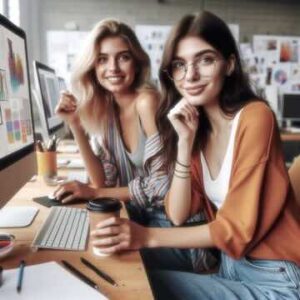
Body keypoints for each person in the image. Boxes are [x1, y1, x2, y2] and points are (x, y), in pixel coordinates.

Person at [90, 11, 300, 299]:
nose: (190, 75)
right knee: (116, 268)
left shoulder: (255, 117)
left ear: (229, 64)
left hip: (275, 278)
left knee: (135, 288)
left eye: (205, 60)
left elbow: (235, 229)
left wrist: (146, 236)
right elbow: (177, 214)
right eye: (179, 65)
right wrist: (185, 143)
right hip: (232, 265)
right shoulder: (196, 129)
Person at [54, 19, 212, 272]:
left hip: (176, 230)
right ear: (92, 67)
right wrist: (75, 124)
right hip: (142, 220)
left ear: (137, 62)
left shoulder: (147, 102)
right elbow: (101, 183)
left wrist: (94, 194)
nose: (113, 68)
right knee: (86, 248)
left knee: (99, 260)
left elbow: (161, 184)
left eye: (123, 57)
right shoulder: (106, 109)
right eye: (102, 59)